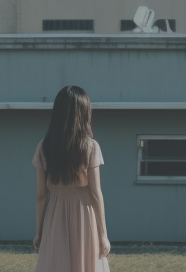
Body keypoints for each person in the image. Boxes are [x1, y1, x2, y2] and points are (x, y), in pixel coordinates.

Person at [32, 85, 110, 272]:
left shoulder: (44, 147)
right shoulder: (90, 147)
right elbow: (96, 192)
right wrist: (103, 234)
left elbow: (41, 196)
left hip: (55, 215)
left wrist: (38, 232)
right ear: (83, 113)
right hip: (85, 215)